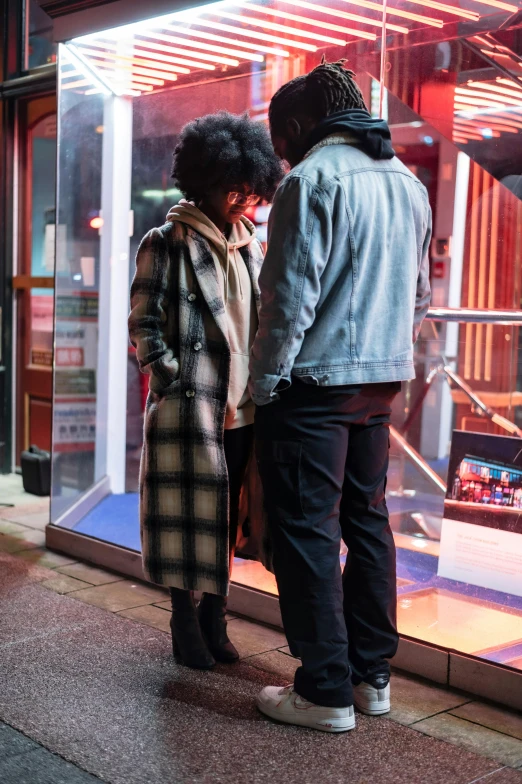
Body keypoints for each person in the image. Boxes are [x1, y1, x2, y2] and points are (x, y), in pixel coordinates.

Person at [249, 58, 432, 732]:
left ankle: (323, 691)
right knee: (368, 524)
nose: (279, 157)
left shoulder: (311, 180)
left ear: (299, 126)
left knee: (307, 534)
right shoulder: (407, 182)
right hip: (379, 385)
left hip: (316, 388)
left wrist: (264, 386)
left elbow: (287, 302)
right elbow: (420, 296)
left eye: (279, 142)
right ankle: (370, 679)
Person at [129, 112, 283, 670]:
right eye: (235, 190)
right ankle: (182, 618)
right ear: (208, 182)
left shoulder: (251, 247)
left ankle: (215, 616)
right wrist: (171, 377)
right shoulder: (165, 241)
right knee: (184, 518)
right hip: (189, 407)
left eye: (249, 191)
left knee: (227, 518)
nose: (244, 201)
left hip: (242, 408)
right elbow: (144, 324)